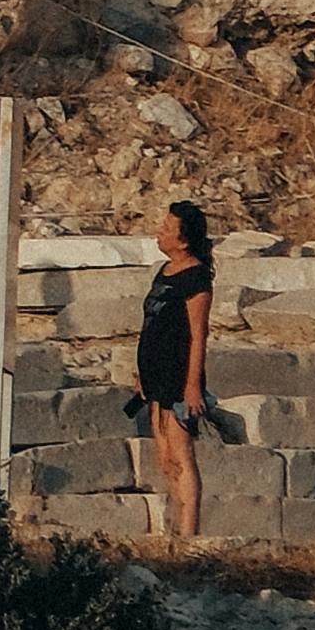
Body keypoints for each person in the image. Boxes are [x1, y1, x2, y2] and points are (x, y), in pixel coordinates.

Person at [129, 200, 217, 550]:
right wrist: (143, 375)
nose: (160, 231)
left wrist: (193, 386)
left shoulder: (196, 278)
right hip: (156, 374)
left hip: (180, 376)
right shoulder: (163, 271)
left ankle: (189, 532)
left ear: (183, 240)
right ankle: (175, 528)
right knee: (164, 456)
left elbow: (199, 333)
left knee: (182, 454)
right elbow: (151, 323)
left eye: (167, 228)